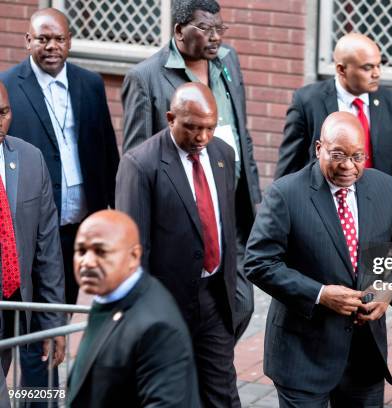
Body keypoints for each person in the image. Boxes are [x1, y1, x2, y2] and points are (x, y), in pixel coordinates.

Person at [245, 111, 392, 407]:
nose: (348, 166)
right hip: (302, 355)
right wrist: (320, 294)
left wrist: (390, 289)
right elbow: (258, 262)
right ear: (319, 148)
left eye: (358, 157)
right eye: (338, 155)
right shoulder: (286, 194)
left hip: (364, 356)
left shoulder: (384, 188)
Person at [121, 0, 261, 340]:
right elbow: (135, 159)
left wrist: (254, 195)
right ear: (179, 31)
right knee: (188, 312)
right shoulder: (145, 78)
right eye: (206, 29)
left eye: (219, 29)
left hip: (229, 203)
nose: (216, 38)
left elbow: (241, 132)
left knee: (241, 303)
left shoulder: (228, 61)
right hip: (183, 212)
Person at [116, 82, 240, 407]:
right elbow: (132, 253)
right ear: (170, 118)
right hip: (166, 303)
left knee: (222, 395)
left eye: (209, 128)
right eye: (192, 127)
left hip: (214, 298)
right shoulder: (140, 165)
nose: (202, 137)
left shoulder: (223, 155)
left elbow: (228, 223)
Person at [0, 8, 120, 306]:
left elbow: (107, 152)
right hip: (30, 229)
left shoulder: (90, 83)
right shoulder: (8, 86)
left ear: (70, 41)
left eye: (59, 39)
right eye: (43, 39)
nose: (51, 46)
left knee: (63, 304)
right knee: (29, 312)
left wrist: (114, 215)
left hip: (80, 225)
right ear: (28, 41)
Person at [67, 210, 200, 408]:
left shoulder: (157, 328)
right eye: (81, 251)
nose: (87, 262)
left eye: (101, 252)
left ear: (134, 256)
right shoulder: (109, 292)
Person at [275, 33, 392, 199]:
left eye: (379, 65)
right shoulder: (308, 101)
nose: (376, 74)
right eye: (367, 68)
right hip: (321, 205)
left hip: (375, 204)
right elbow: (289, 165)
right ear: (341, 69)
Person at [0, 81, 65, 395]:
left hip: (12, 308)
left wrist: (54, 323)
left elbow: (47, 250)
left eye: (4, 113)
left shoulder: (29, 160)